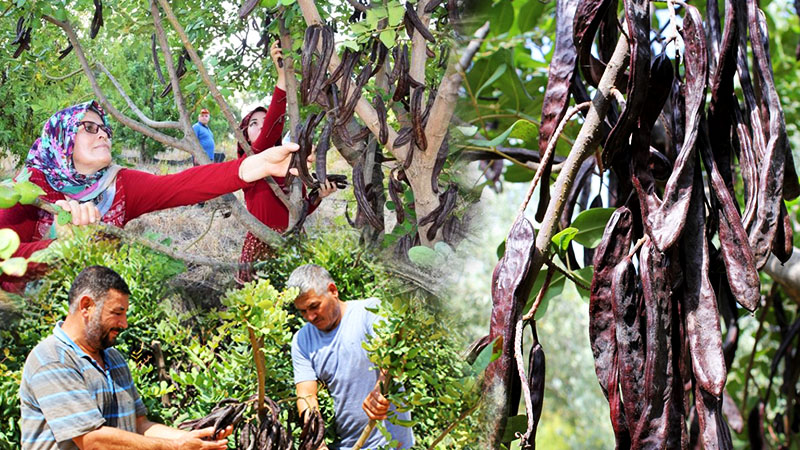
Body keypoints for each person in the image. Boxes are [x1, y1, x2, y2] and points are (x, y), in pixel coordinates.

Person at [0, 99, 299, 293]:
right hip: (29, 321)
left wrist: (256, 165)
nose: (103, 133)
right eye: (89, 128)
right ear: (61, 137)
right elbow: (5, 258)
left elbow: (183, 185)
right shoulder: (28, 186)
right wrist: (63, 245)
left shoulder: (119, 185)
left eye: (104, 128)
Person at [19, 265, 233, 449]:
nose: (124, 323)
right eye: (117, 312)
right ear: (86, 306)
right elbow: (92, 441)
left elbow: (140, 425)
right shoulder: (53, 359)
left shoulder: (114, 360)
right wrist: (177, 447)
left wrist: (196, 439)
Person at [236, 42, 337, 283]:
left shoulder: (291, 163)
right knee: (256, 310)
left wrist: (318, 197)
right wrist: (282, 79)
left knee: (293, 307)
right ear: (243, 136)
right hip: (260, 244)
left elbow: (299, 209)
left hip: (293, 241)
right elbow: (270, 131)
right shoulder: (248, 164)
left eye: (263, 122)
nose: (261, 127)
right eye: (253, 124)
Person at [288, 264, 414, 450]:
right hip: (348, 445)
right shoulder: (302, 340)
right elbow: (306, 395)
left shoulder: (371, 311)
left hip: (393, 444)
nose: (310, 317)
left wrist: (381, 387)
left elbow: (394, 358)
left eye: (314, 306)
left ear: (333, 290)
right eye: (303, 311)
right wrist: (316, 442)